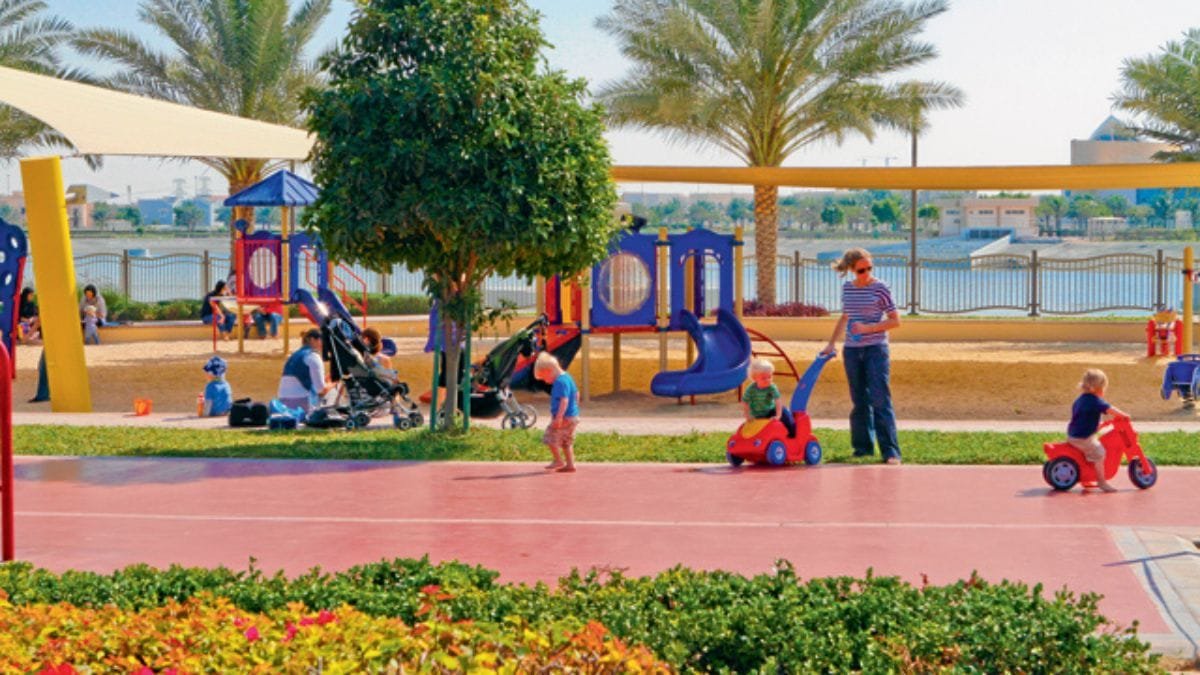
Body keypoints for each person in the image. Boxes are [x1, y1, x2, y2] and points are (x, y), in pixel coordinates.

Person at [822, 248, 902, 465]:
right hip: (852, 350)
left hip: (876, 348)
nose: (866, 273)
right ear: (851, 270)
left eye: (869, 268)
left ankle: (890, 451)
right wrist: (831, 344)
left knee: (880, 399)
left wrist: (869, 329)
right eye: (861, 270)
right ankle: (863, 448)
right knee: (859, 400)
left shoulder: (880, 288)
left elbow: (895, 320)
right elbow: (845, 317)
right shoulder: (847, 288)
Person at [1067, 369, 1127, 493]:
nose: (1104, 391)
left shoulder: (1080, 400)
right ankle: (1102, 482)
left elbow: (1083, 419)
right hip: (1083, 438)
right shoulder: (1095, 401)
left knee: (1089, 452)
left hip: (1074, 435)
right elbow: (1110, 409)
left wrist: (1099, 425)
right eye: (1103, 387)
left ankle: (1086, 478)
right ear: (1096, 388)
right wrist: (1123, 415)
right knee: (1100, 453)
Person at [535, 351, 579, 472]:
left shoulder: (560, 382)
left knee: (549, 437)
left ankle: (558, 460)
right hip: (573, 416)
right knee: (566, 441)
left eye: (544, 378)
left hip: (563, 417)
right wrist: (575, 409)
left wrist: (559, 417)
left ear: (549, 370)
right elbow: (576, 394)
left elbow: (564, 400)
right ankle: (570, 464)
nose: (546, 381)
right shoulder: (568, 377)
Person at [277, 328, 334, 414]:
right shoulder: (313, 356)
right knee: (335, 389)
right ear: (312, 340)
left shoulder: (295, 355)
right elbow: (321, 389)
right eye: (322, 340)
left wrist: (329, 380)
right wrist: (336, 381)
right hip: (302, 403)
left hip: (283, 402)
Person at [741, 358, 796, 437]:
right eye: (763, 378)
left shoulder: (771, 387)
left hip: (770, 411)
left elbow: (777, 400)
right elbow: (745, 402)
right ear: (754, 378)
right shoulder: (751, 389)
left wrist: (778, 415)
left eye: (770, 377)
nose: (767, 380)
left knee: (785, 412)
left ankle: (792, 434)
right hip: (758, 414)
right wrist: (748, 416)